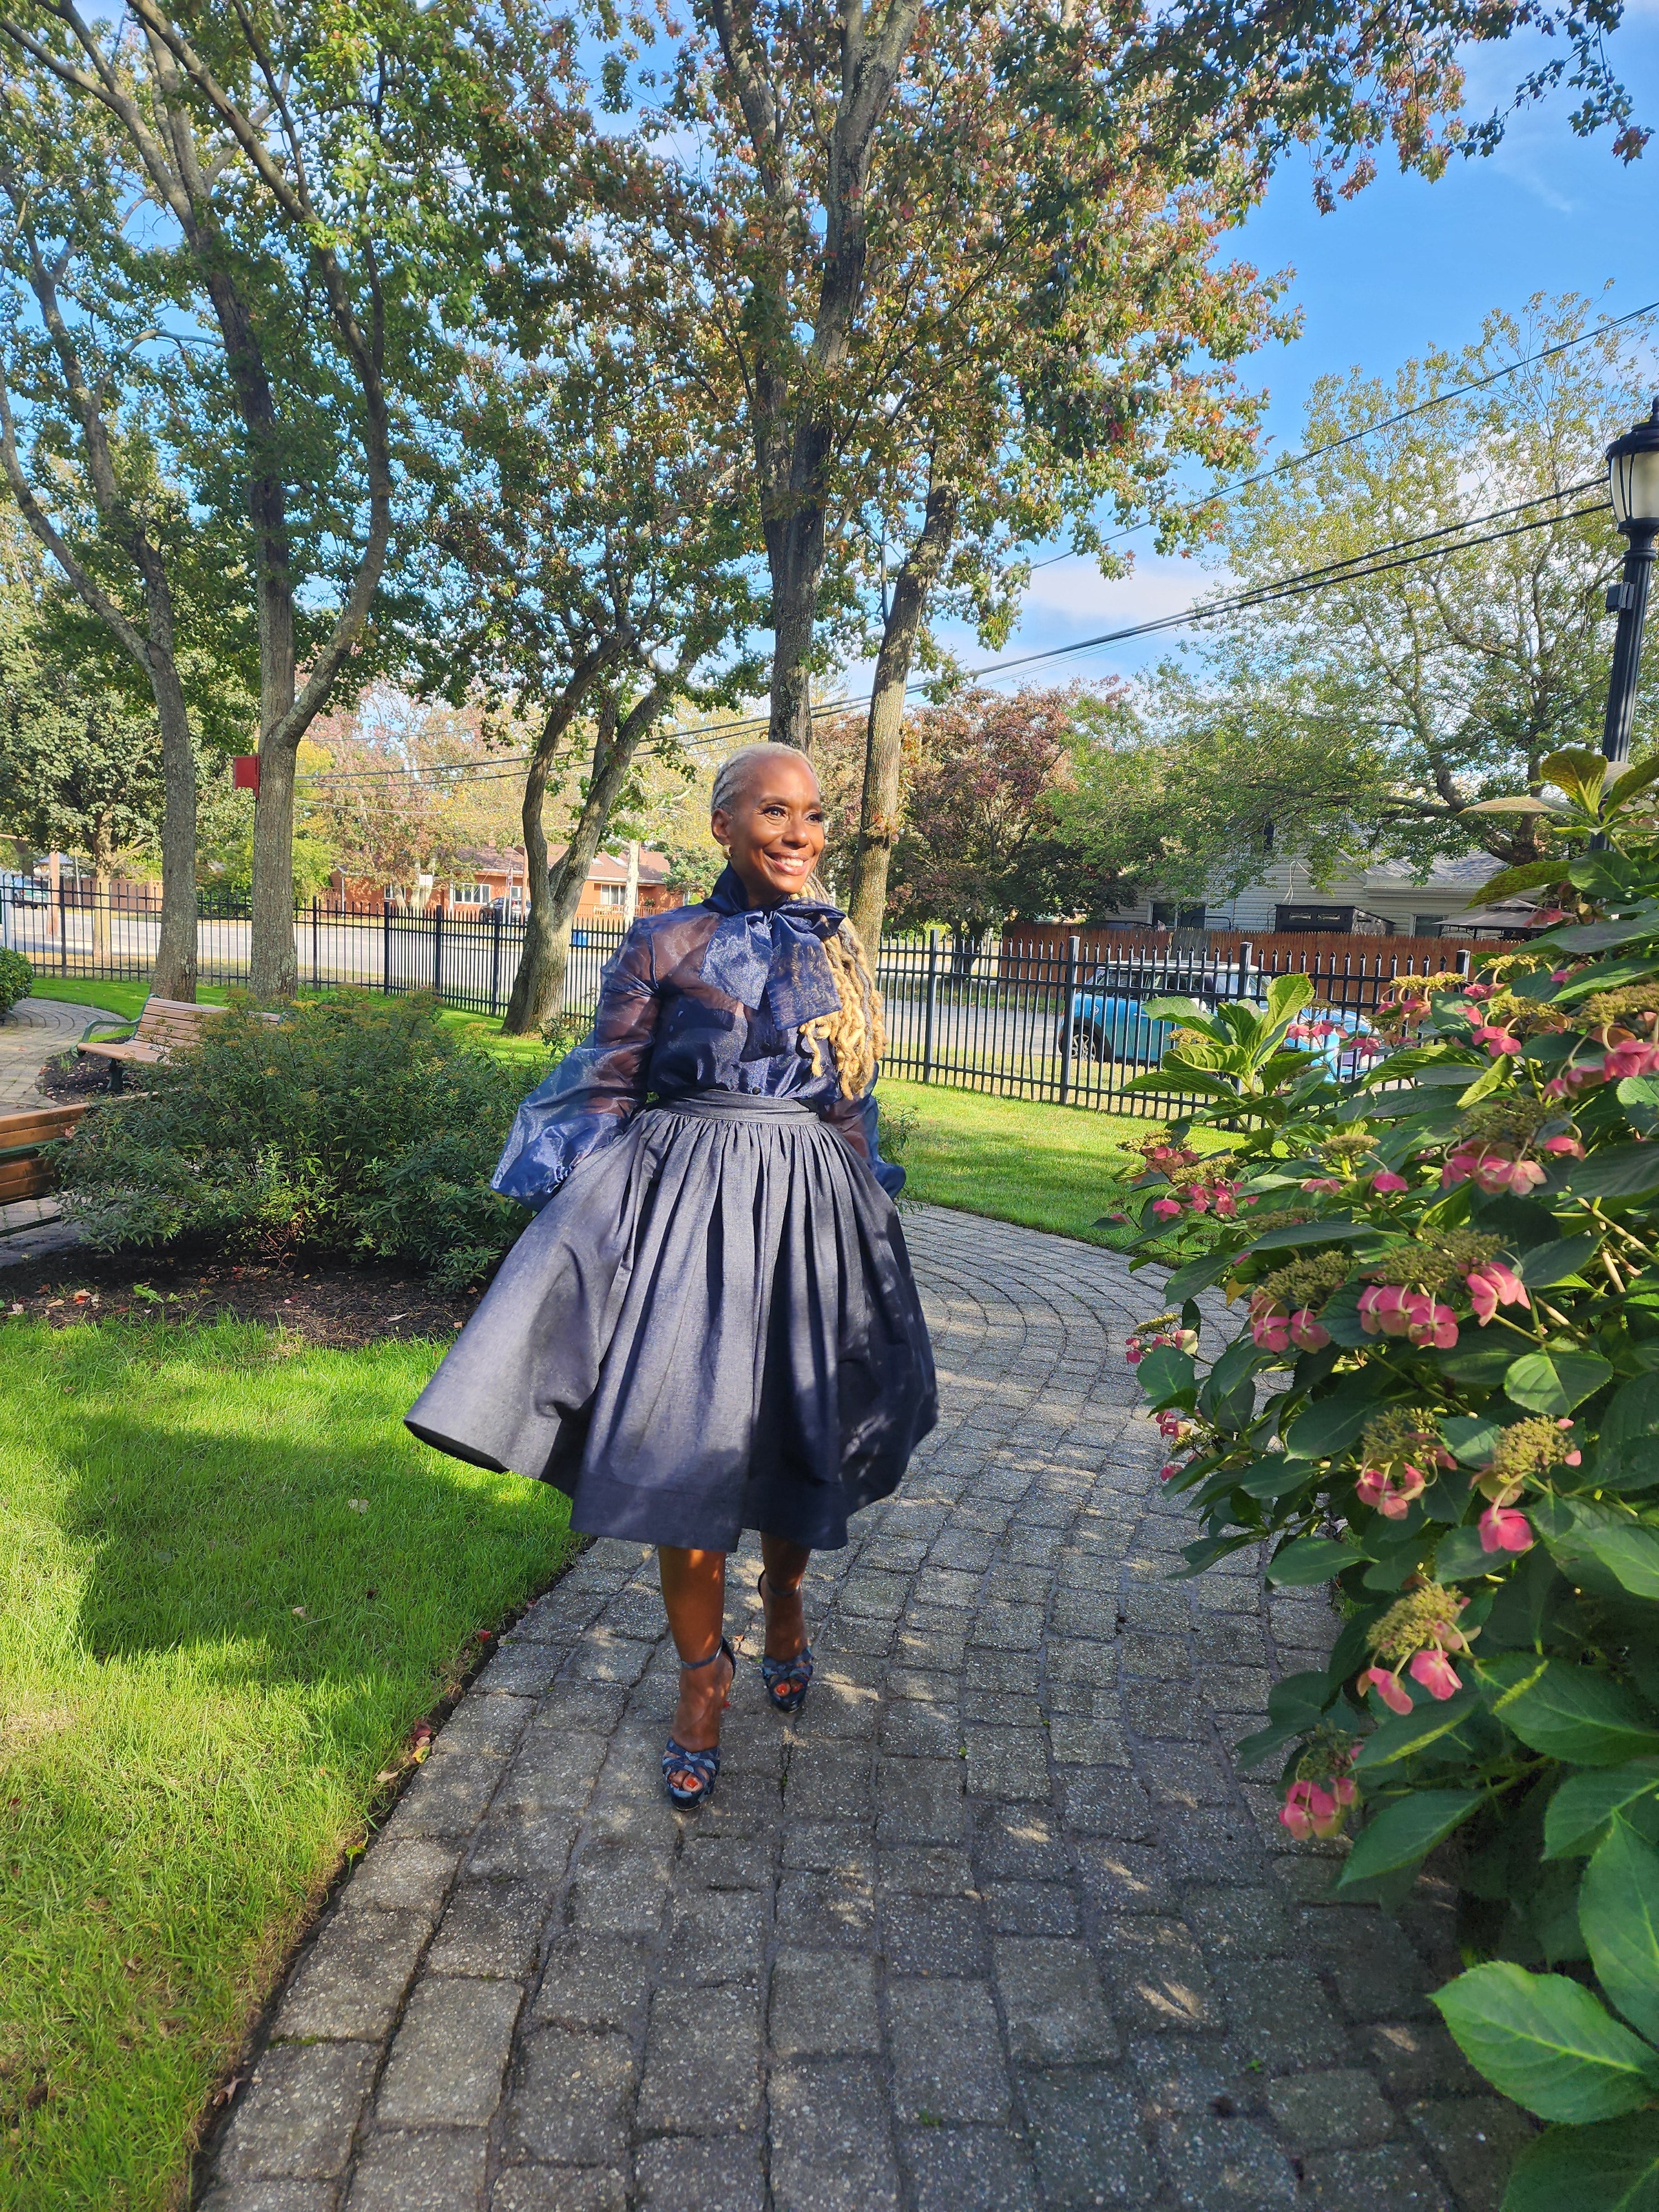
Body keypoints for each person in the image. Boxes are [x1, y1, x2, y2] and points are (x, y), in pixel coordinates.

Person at [405, 743, 937, 1805]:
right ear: (724, 825)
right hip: (688, 1210)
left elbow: (850, 1095)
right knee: (678, 1448)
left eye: (814, 815)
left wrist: (869, 1205)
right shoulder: (663, 941)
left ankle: (784, 1600)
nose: (799, 833)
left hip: (810, 1208)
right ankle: (704, 1677)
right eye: (774, 813)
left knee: (801, 1430)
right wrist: (589, 1220)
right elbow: (610, 1084)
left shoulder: (841, 947)